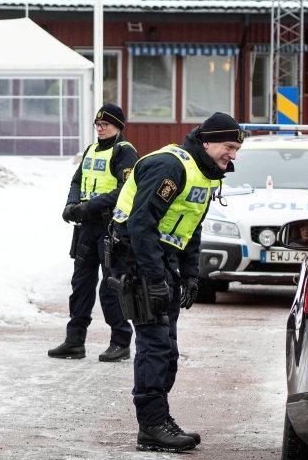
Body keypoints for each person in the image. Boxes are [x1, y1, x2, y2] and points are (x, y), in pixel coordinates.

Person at [110, 112, 243, 453]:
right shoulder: (172, 167)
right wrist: (154, 280)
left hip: (163, 259)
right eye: (228, 147)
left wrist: (189, 275)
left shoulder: (207, 173)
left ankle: (159, 419)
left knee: (168, 349)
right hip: (139, 257)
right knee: (155, 346)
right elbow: (141, 225)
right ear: (207, 141)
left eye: (237, 149)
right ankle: (152, 425)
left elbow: (190, 227)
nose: (232, 155)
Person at [48, 102, 137, 362]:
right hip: (87, 227)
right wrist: (71, 205)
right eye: (97, 125)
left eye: (105, 125)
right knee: (81, 285)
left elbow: (124, 189)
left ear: (118, 127)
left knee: (111, 287)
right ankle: (74, 342)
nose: (100, 128)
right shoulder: (91, 150)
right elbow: (77, 180)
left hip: (111, 228)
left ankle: (120, 341)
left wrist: (88, 207)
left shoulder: (125, 152)